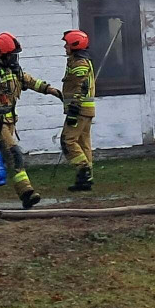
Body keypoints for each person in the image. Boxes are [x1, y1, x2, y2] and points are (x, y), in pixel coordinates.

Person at [0, 32, 62, 209]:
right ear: (2, 55)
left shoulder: (14, 71)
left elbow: (31, 82)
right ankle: (26, 193)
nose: (14, 58)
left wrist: (50, 90)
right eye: (11, 55)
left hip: (10, 122)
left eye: (15, 55)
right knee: (14, 154)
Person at [60, 29, 96, 192]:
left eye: (67, 44)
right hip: (85, 110)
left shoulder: (80, 63)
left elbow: (81, 87)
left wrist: (74, 110)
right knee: (83, 143)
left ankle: (83, 169)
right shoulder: (79, 61)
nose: (65, 47)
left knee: (67, 141)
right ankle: (86, 180)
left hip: (79, 110)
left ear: (75, 45)